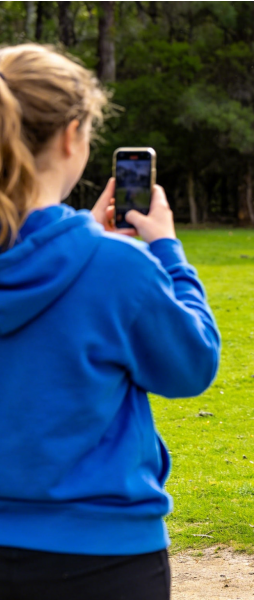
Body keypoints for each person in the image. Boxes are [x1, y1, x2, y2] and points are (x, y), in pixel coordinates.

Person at [0, 44, 221, 599]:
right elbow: (191, 366)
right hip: (101, 555)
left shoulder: (105, 261)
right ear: (71, 136)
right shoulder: (116, 267)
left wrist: (84, 242)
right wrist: (166, 251)